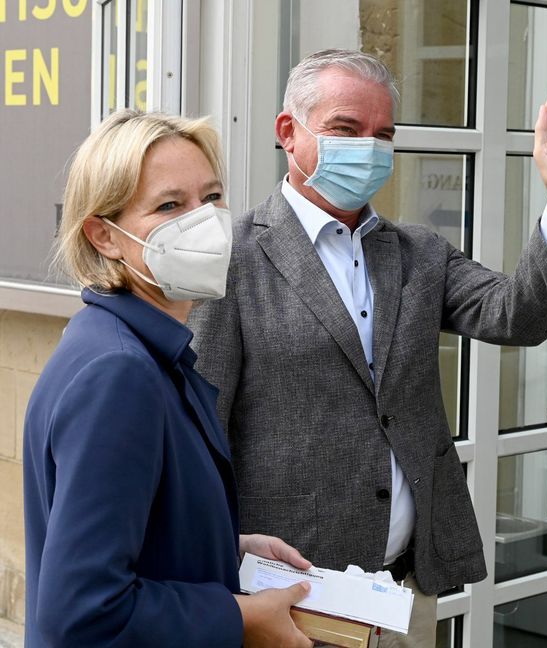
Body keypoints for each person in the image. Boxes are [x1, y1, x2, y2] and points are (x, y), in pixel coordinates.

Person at [188, 48, 547, 647]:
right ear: (288, 133)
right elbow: (202, 435)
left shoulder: (418, 254)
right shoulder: (234, 260)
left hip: (403, 590)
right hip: (290, 593)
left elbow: (518, 316)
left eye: (383, 135)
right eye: (345, 130)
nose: (368, 149)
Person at [23, 110, 316, 648]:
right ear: (103, 236)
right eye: (168, 205)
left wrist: (230, 550)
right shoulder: (120, 372)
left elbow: (133, 531)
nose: (203, 221)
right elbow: (84, 612)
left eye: (212, 197)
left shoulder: (139, 347)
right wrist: (243, 619)